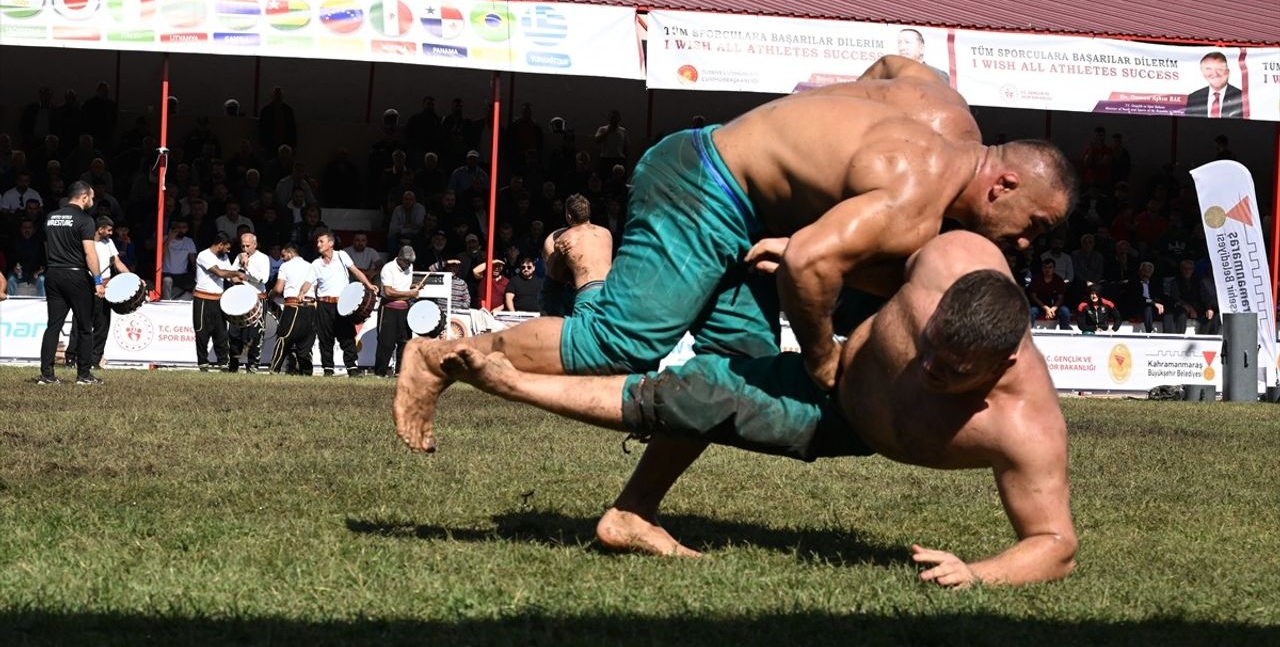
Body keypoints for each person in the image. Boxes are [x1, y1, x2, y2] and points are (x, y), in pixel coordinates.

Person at [393, 54, 1075, 455]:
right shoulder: (913, 198)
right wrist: (823, 360)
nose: (1025, 243)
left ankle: (632, 515)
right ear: (1005, 184)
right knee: (621, 342)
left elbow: (890, 66)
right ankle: (437, 357)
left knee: (735, 378)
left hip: (741, 198)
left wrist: (817, 154)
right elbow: (810, 266)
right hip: (703, 182)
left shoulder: (949, 112)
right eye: (1032, 225)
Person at [441, 232, 1077, 585]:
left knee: (697, 397)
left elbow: (1054, 544)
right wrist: (808, 249)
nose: (929, 367)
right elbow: (883, 239)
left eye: (953, 372)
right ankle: (594, 271)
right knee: (736, 253)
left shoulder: (1026, 426)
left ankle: (513, 382)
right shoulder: (952, 258)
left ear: (1004, 368)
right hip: (843, 346)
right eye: (930, 345)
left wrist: (979, 574)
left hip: (839, 419)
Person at [38, 181, 104, 385]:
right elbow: (89, 252)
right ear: (84, 197)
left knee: (53, 325)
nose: (92, 202)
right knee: (85, 326)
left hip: (53, 274)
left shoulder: (51, 217)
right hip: (76, 275)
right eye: (91, 198)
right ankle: (84, 375)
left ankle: (47, 375)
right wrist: (98, 280)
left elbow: (46, 246)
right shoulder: (85, 220)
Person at [67, 216, 130, 369]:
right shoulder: (85, 241)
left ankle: (94, 360)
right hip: (87, 286)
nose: (110, 233)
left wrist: (131, 278)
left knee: (103, 325)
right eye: (108, 230)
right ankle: (71, 358)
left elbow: (117, 263)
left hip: (107, 288)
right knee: (80, 323)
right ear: (100, 229)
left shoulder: (108, 242)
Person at [312, 229, 376, 377]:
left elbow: (355, 271)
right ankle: (328, 368)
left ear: (331, 243)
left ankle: (352, 368)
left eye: (321, 241)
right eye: (317, 241)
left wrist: (368, 284)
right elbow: (312, 285)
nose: (318, 244)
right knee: (325, 338)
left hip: (342, 304)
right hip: (324, 304)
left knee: (347, 336)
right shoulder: (315, 263)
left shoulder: (342, 255)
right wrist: (309, 298)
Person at [541, 193, 613, 317]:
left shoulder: (566, 238)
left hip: (588, 291)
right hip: (609, 292)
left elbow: (555, 276)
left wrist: (558, 255)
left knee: (583, 334)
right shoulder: (606, 233)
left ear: (568, 216)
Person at [192, 232, 242, 371]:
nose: (228, 251)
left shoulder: (224, 256)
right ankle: (203, 364)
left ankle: (223, 364)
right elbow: (220, 273)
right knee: (202, 333)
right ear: (220, 245)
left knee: (221, 334)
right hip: (203, 299)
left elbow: (230, 275)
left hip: (219, 299)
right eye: (227, 247)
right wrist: (237, 273)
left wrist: (242, 286)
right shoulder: (204, 255)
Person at [228, 232, 272, 373]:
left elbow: (263, 279)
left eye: (248, 245)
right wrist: (236, 277)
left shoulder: (263, 258)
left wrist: (246, 268)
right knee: (234, 333)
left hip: (257, 299)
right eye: (242, 246)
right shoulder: (238, 257)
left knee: (255, 334)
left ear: (255, 244)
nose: (245, 248)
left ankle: (253, 366)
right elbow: (231, 274)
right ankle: (233, 365)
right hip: (240, 298)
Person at [270, 243, 316, 375]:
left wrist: (270, 296)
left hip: (293, 305)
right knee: (306, 343)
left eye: (283, 255)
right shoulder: (311, 266)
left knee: (283, 338)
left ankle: (274, 369)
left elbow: (278, 289)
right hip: (311, 307)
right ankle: (307, 372)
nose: (282, 259)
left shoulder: (285, 266)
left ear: (291, 253)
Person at [375, 246, 419, 378]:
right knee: (386, 343)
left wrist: (413, 287)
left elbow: (403, 286)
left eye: (410, 263)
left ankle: (400, 371)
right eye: (407, 262)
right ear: (399, 258)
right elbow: (389, 292)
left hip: (404, 308)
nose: (409, 265)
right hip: (389, 307)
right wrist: (409, 293)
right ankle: (380, 372)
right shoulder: (388, 268)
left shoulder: (409, 267)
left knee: (404, 341)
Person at [1185, 52, 1244, 119]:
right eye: (1208, 69)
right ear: (1203, 72)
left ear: (1227, 72)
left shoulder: (1242, 97)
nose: (1214, 73)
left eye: (1219, 69)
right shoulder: (1194, 98)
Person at [1028, 258, 1072, 330]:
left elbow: (1060, 298)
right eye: (1045, 267)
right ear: (1042, 268)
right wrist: (1046, 308)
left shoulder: (1058, 280)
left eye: (1050, 267)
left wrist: (1053, 309)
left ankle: (1064, 334)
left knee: (1065, 312)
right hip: (1039, 306)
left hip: (1055, 307)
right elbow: (1033, 296)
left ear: (1054, 269)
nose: (1047, 270)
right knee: (1032, 311)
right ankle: (1028, 334)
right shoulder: (1037, 279)